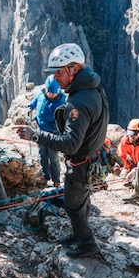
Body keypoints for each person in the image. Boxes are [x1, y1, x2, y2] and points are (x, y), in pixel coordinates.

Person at [14, 43, 109, 258]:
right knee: (80, 201)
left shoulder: (79, 101)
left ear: (73, 69)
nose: (56, 78)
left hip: (81, 162)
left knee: (72, 204)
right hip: (90, 158)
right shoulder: (94, 89)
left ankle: (87, 243)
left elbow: (70, 143)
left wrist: (36, 135)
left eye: (59, 72)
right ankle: (79, 235)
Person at [28, 74, 66, 187]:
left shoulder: (60, 103)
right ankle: (45, 175)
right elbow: (36, 101)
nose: (51, 95)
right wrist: (30, 107)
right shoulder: (42, 94)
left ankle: (56, 181)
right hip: (40, 131)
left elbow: (60, 121)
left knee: (53, 157)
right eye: (49, 92)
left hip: (52, 133)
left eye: (53, 93)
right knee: (42, 154)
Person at [116, 118, 139, 186]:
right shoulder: (126, 140)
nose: (131, 137)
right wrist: (126, 168)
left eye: (134, 135)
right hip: (134, 162)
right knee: (116, 166)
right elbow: (121, 154)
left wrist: (136, 171)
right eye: (130, 134)